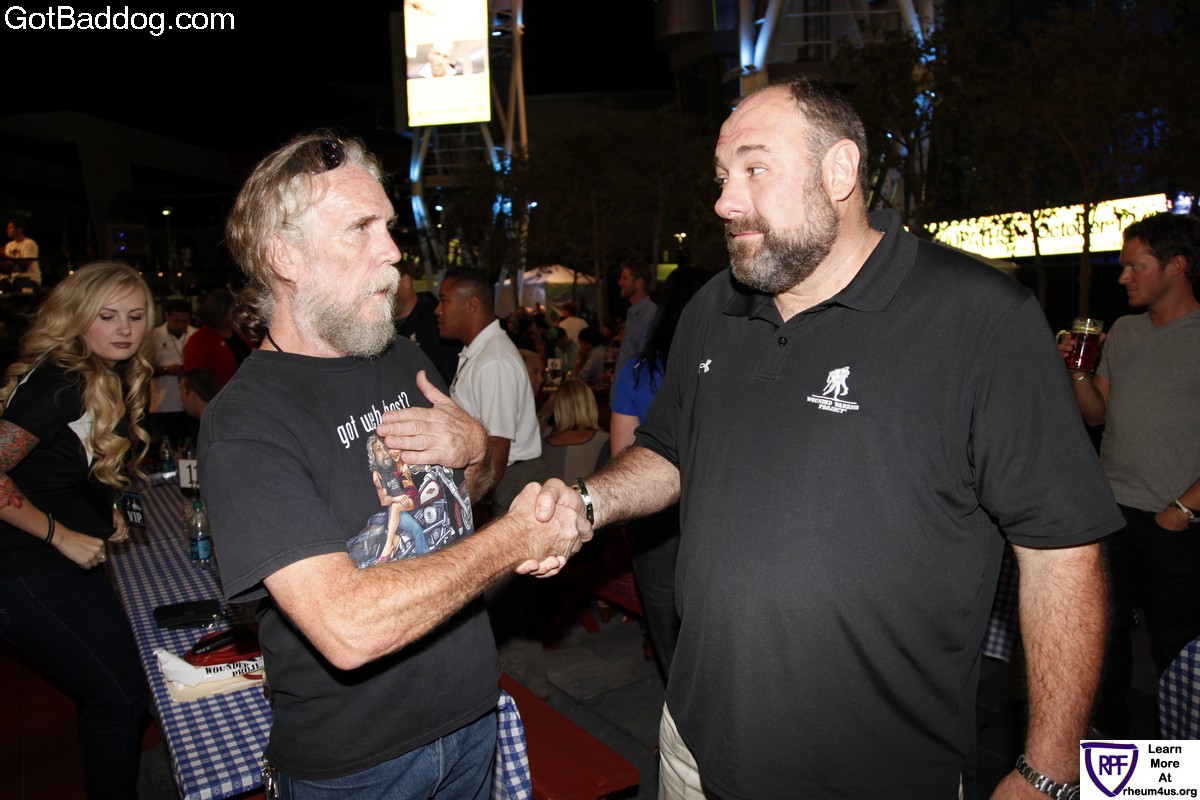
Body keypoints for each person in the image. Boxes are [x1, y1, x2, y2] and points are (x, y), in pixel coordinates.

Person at [535, 77, 1122, 799]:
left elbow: (1063, 550)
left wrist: (1051, 768)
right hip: (693, 743)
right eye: (721, 177)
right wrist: (586, 503)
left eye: (755, 168)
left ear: (840, 171)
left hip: (872, 772)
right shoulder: (714, 307)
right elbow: (668, 451)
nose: (725, 201)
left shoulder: (979, 318)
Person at [198, 132, 588, 798]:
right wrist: (517, 538)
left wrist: (473, 449)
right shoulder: (246, 421)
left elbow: (466, 494)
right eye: (361, 228)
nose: (392, 251)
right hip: (359, 763)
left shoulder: (400, 357)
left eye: (387, 226)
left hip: (471, 715)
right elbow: (348, 628)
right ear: (284, 256)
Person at [0, 261, 152, 799]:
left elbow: (51, 466)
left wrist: (98, 509)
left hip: (51, 564)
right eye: (107, 316)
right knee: (120, 700)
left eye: (135, 316)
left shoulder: (96, 373)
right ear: (77, 317)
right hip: (28, 570)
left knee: (113, 693)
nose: (124, 329)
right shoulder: (62, 379)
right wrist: (60, 535)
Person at [1060, 211, 1200, 736]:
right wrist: (1078, 373)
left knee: (1177, 649)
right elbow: (1096, 415)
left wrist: (1182, 511)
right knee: (1106, 639)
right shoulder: (1123, 330)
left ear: (1177, 266)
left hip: (1175, 521)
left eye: (1135, 266)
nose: (1122, 277)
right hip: (1113, 511)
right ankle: (1109, 756)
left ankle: (1182, 761)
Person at [608, 266, 713, 680]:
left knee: (670, 644)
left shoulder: (637, 372)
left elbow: (622, 453)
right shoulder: (728, 369)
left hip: (655, 524)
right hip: (716, 522)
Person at [436, 267, 546, 516]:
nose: (438, 310)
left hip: (508, 483)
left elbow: (497, 445)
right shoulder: (482, 352)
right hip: (502, 481)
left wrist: (472, 507)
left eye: (444, 300)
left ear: (472, 304)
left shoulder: (493, 360)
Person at [395, 261, 461, 384]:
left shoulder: (438, 320)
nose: (385, 295)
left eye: (389, 287)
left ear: (406, 281)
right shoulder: (383, 328)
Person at [541, 378, 609, 483]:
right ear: (590, 405)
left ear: (558, 408)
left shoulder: (541, 444)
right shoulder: (606, 442)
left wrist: (546, 409)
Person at [183, 288, 253, 387]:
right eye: (232, 310)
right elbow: (194, 379)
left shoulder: (242, 334)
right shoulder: (199, 340)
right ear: (219, 312)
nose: (236, 314)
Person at [148, 299, 196, 445]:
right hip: (163, 405)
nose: (181, 325)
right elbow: (145, 369)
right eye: (176, 321)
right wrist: (166, 370)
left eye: (185, 321)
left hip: (191, 405)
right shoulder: (154, 336)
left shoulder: (196, 334)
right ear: (167, 317)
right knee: (166, 448)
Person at [613, 260, 656, 378]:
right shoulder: (634, 314)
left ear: (639, 282)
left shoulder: (648, 314)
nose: (620, 282)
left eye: (624, 278)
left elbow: (645, 358)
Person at [3, 217, 41, 287]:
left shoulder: (29, 243)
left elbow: (25, 265)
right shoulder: (9, 245)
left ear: (19, 229)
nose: (7, 230)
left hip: (29, 278)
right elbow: (7, 267)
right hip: (14, 279)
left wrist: (5, 256)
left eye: (10, 227)